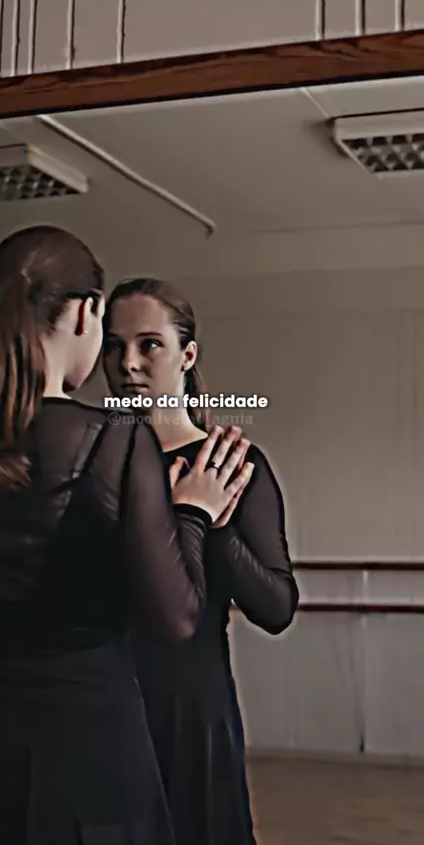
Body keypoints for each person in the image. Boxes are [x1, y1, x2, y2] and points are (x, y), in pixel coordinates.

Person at [0, 227, 254, 845]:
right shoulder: (113, 439)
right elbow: (176, 619)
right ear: (88, 313)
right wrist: (193, 514)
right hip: (87, 738)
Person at [101, 276, 300, 845]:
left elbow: (276, 607)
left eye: (149, 345)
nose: (128, 364)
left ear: (187, 355)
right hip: (103, 707)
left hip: (193, 711)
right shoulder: (88, 459)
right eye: (114, 347)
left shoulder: (230, 462)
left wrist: (212, 522)